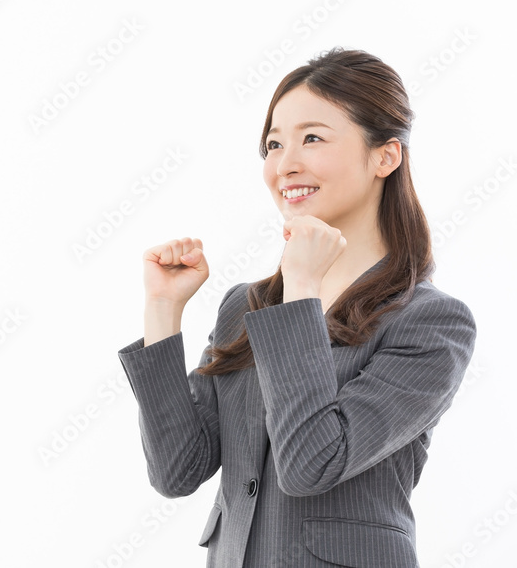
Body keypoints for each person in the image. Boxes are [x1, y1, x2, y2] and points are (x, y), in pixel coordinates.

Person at [117, 47, 477, 567]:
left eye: (312, 138)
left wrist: (302, 285)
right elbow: (177, 471)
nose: (285, 165)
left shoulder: (431, 323)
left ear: (385, 157)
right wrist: (162, 310)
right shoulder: (245, 306)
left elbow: (312, 463)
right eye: (273, 144)